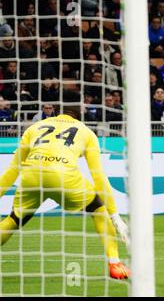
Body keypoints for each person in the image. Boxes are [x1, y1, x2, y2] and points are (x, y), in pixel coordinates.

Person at [0, 104, 130, 279]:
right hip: (63, 176)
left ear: (58, 111)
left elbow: (12, 170)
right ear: (79, 115)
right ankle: (114, 263)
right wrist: (115, 216)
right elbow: (98, 176)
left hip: (31, 174)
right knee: (99, 210)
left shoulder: (35, 127)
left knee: (14, 219)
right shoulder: (86, 132)